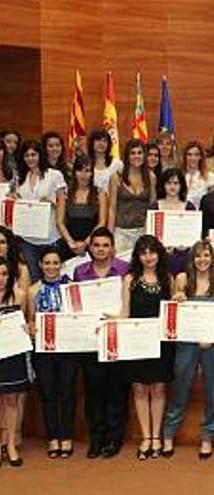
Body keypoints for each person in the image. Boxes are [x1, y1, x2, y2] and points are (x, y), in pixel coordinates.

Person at [161, 240, 214, 459]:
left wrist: (211, 336)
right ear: (192, 258)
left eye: (206, 255)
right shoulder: (181, 279)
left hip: (210, 343)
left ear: (213, 258)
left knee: (213, 389)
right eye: (198, 256)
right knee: (180, 385)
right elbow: (173, 312)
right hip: (186, 341)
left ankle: (208, 437)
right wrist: (177, 299)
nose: (202, 260)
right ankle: (169, 434)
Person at [73, 228, 129, 458]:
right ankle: (96, 439)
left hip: (117, 338)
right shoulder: (80, 272)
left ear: (113, 248)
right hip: (91, 340)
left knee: (117, 392)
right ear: (90, 247)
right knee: (93, 392)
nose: (101, 249)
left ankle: (114, 440)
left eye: (106, 245)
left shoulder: (126, 270)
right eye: (96, 245)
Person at [121, 235, 174, 461]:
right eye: (143, 253)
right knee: (140, 389)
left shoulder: (168, 279)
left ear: (159, 254)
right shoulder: (130, 280)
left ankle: (156, 438)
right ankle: (146, 437)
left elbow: (174, 311)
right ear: (138, 256)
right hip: (137, 341)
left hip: (161, 342)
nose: (148, 257)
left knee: (159, 389)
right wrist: (105, 323)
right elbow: (125, 313)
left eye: (152, 252)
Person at [27, 247, 75, 459]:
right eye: (47, 263)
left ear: (62, 265)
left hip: (68, 348)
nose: (51, 267)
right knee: (47, 394)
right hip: (43, 350)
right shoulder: (32, 290)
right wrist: (30, 327)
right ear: (40, 265)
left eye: (55, 263)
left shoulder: (71, 287)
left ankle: (67, 437)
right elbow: (30, 318)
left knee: (67, 393)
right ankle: (53, 438)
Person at [14, 139, 68, 278]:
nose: (30, 158)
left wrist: (51, 203)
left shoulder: (54, 175)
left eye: (33, 155)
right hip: (28, 239)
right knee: (34, 279)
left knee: (53, 277)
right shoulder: (19, 178)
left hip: (50, 237)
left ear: (40, 155)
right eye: (27, 155)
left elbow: (62, 206)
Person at [0, 259, 28, 467]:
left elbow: (25, 321)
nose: (1, 279)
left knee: (11, 400)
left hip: (12, 353)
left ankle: (10, 444)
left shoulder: (18, 295)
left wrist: (28, 328)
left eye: (4, 274)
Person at [108, 139, 156, 253]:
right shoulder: (116, 177)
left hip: (143, 231)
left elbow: (152, 207)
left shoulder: (151, 177)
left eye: (139, 153)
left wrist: (149, 232)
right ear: (127, 156)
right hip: (121, 232)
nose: (136, 156)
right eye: (132, 153)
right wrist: (109, 238)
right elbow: (112, 209)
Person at [56, 155, 107, 259]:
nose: (83, 175)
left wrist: (86, 243)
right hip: (68, 244)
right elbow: (59, 222)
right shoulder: (64, 193)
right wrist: (71, 243)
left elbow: (101, 222)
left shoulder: (100, 193)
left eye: (87, 171)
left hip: (92, 245)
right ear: (74, 172)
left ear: (92, 173)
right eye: (80, 170)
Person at [149, 168, 197, 275]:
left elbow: (194, 236)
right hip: (160, 258)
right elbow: (148, 235)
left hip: (184, 257)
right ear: (163, 185)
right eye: (169, 183)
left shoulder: (190, 207)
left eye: (176, 183)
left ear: (181, 185)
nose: (172, 186)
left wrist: (186, 244)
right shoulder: (154, 207)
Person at [181, 141, 214, 208]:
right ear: (185, 157)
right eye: (189, 154)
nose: (193, 158)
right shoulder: (179, 175)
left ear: (201, 157)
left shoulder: (210, 177)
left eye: (196, 155)